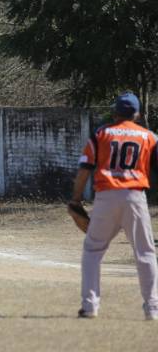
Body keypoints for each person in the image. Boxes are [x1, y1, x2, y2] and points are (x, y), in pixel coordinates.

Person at [69, 93, 158, 320]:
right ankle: (153, 308)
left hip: (106, 196)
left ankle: (90, 307)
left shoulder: (101, 134)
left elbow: (84, 170)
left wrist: (76, 199)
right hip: (135, 197)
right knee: (145, 253)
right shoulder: (149, 136)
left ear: (115, 112)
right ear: (137, 114)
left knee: (92, 250)